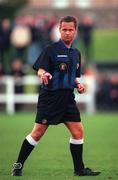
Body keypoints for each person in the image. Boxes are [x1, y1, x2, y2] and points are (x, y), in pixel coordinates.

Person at [11, 16, 101, 177]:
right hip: (50, 98)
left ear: (76, 31)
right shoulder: (50, 49)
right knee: (37, 133)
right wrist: (43, 73)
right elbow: (40, 69)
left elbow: (72, 77)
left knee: (78, 132)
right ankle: (17, 165)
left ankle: (79, 169)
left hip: (68, 99)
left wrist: (78, 85)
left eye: (70, 30)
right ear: (59, 30)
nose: (67, 33)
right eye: (64, 29)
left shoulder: (76, 53)